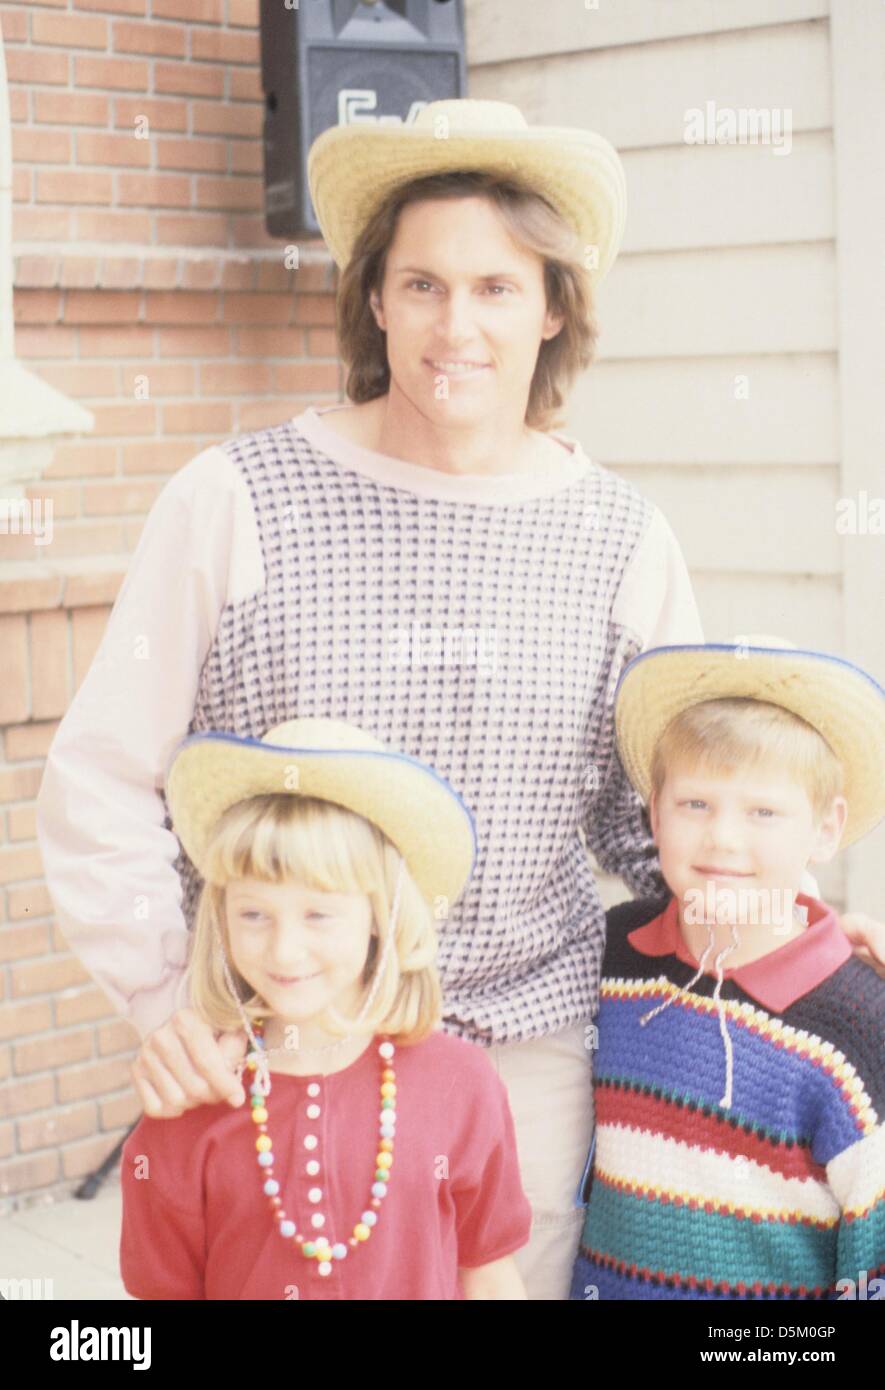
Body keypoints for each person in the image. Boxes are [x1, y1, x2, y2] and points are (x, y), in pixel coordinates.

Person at [36, 99, 885, 1301]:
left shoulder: (621, 540)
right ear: (374, 300)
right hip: (278, 1041)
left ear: (553, 307)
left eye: (496, 287)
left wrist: (794, 921)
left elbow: (669, 822)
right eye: (422, 283)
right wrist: (171, 996)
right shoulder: (233, 501)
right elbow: (103, 777)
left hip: (522, 1066)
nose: (456, 324)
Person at [120, 716, 531, 1300]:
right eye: (254, 913)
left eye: (318, 914)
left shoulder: (463, 1085)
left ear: (379, 916)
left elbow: (488, 1271)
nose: (285, 950)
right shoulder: (187, 1112)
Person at [570, 638, 885, 1300]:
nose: (723, 838)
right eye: (694, 805)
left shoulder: (857, 1024)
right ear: (653, 811)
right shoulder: (613, 954)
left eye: (762, 812)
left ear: (824, 830)